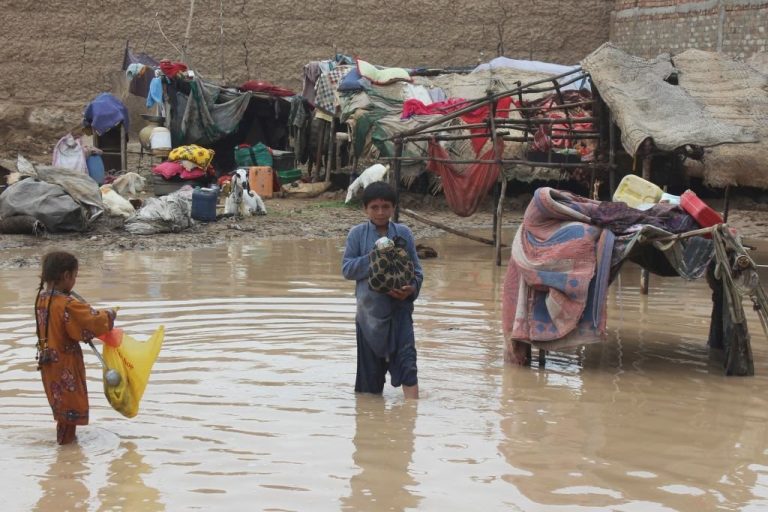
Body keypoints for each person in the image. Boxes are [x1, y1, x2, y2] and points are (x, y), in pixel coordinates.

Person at [342, 182, 423, 398]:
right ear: (365, 209)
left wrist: (411, 290)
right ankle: (370, 422)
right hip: (369, 317)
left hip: (400, 313)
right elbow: (347, 269)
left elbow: (417, 271)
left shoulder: (403, 233)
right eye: (374, 207)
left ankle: (411, 417)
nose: (380, 212)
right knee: (369, 382)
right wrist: (376, 258)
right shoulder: (357, 234)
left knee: (408, 367)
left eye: (386, 207)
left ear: (393, 208)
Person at [34, 251, 116, 445]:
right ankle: (66, 449)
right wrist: (110, 314)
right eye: (75, 276)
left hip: (48, 364)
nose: (75, 281)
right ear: (66, 276)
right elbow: (90, 323)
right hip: (65, 365)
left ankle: (66, 446)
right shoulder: (66, 304)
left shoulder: (42, 299)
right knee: (70, 409)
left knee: (62, 409)